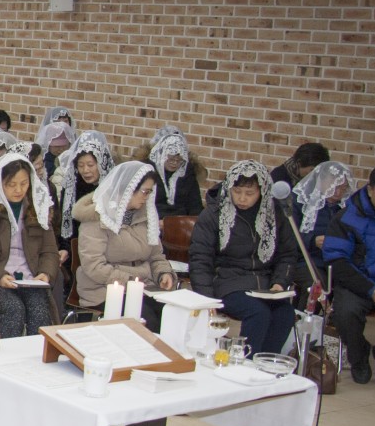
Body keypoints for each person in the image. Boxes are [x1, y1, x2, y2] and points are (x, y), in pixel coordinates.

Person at [189, 160, 294, 356]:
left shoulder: (274, 215)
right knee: (258, 313)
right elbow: (200, 259)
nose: (242, 198)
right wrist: (207, 300)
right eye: (237, 192)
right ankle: (247, 360)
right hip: (227, 282)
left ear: (262, 192)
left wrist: (280, 282)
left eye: (249, 193)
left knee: (285, 313)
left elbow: (287, 254)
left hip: (265, 284)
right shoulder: (214, 214)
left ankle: (265, 361)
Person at [0, 153, 60, 337]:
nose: (18, 190)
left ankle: (34, 354)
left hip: (30, 279)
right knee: (13, 310)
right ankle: (4, 353)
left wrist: (46, 273)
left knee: (39, 311)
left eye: (24, 183)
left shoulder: (37, 205)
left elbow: (50, 251)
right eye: (11, 184)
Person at [73, 162, 176, 325]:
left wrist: (163, 274)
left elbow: (156, 256)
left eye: (150, 192)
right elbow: (94, 266)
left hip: (143, 288)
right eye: (144, 192)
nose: (147, 197)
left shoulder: (146, 216)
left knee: (172, 316)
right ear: (128, 189)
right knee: (147, 321)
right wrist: (130, 281)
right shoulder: (96, 218)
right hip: (105, 291)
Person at [323, 164, 375, 385]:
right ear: (370, 190)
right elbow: (336, 261)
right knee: (345, 313)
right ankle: (359, 356)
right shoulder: (347, 218)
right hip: (358, 284)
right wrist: (370, 289)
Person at [290, 160, 357, 284]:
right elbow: (288, 235)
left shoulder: (345, 208)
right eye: (334, 186)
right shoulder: (300, 201)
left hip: (338, 262)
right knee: (318, 285)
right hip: (305, 260)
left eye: (343, 188)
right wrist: (313, 240)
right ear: (321, 181)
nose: (338, 193)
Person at [53, 130, 115, 252]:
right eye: (80, 165)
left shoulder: (112, 187)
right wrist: (65, 249)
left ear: (101, 164)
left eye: (90, 165)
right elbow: (65, 224)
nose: (85, 170)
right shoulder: (71, 186)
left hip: (106, 247)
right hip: (75, 247)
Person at [146, 127, 202, 217]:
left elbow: (195, 206)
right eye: (171, 158)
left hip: (179, 220)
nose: (175, 163)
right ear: (162, 154)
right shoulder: (148, 171)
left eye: (179, 160)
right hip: (153, 218)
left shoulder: (187, 173)